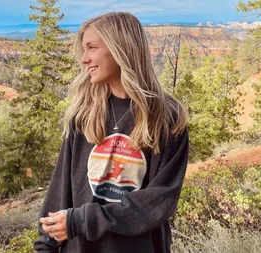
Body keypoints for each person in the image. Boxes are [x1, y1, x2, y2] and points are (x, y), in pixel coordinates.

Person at [34, 12, 189, 253]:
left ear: (121, 49)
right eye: (83, 50)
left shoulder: (166, 118)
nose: (84, 59)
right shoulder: (83, 116)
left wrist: (82, 221)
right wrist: (45, 245)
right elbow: (60, 190)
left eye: (92, 48)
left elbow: (159, 202)